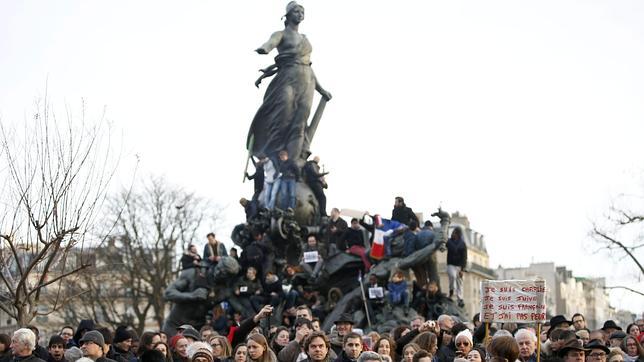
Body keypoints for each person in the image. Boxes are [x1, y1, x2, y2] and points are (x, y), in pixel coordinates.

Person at [247, 1, 332, 162]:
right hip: (287, 77)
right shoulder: (281, 34)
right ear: (288, 15)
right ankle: (275, 153)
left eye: (302, 11)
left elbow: (308, 65)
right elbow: (270, 43)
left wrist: (321, 90)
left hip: (307, 80)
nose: (300, 14)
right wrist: (265, 49)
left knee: (300, 121)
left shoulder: (305, 39)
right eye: (296, 11)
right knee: (283, 113)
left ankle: (294, 160)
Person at [446, 227, 467, 307]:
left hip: (459, 265)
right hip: (451, 264)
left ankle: (460, 298)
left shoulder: (462, 244)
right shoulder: (449, 241)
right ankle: (451, 291)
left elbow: (464, 257)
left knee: (459, 282)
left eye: (454, 232)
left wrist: (462, 269)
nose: (452, 234)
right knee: (452, 276)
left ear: (458, 234)